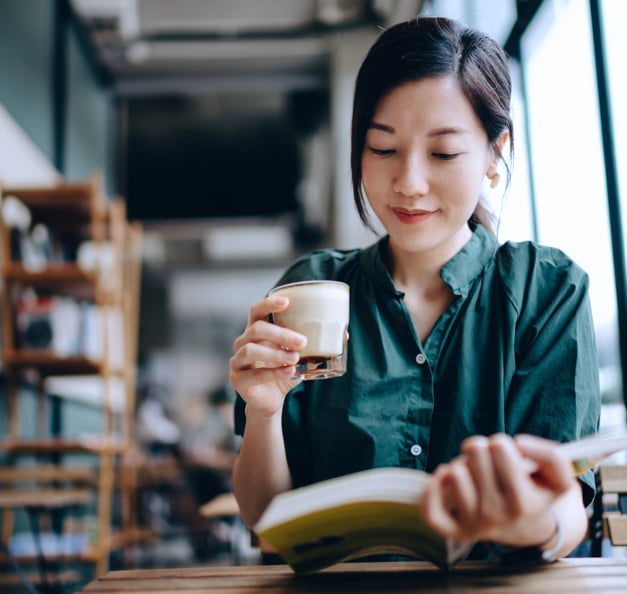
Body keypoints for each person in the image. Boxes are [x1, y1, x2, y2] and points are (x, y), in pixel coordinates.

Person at [229, 16, 601, 563]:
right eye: (382, 149)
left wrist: (535, 522)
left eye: (444, 153)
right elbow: (268, 522)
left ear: (495, 155)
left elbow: (570, 506)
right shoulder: (314, 291)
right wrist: (263, 412)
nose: (408, 182)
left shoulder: (546, 291)